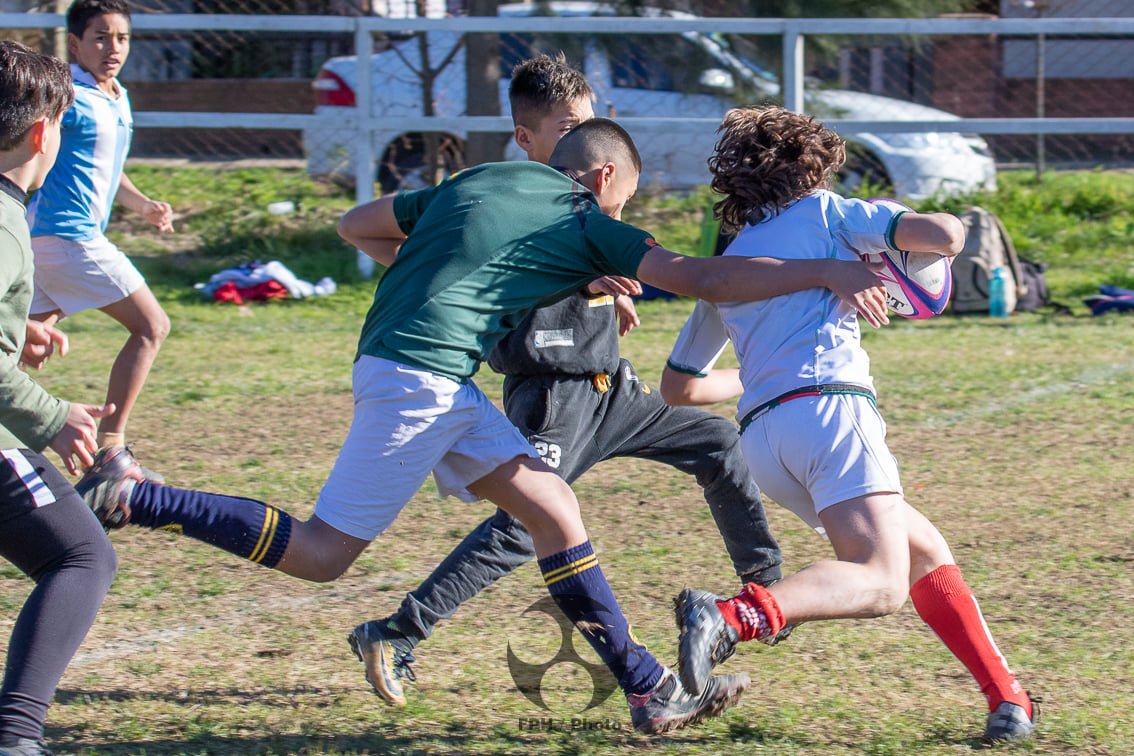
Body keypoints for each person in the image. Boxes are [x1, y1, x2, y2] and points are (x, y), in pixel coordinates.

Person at [75, 117, 889, 733]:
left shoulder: (477, 181)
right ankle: (136, 496)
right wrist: (827, 270)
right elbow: (700, 275)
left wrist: (456, 281)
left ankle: (645, 687)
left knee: (553, 512)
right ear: (604, 176)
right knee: (323, 554)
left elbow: (358, 223)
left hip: (430, 372)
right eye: (627, 198)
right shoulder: (584, 219)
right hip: (418, 381)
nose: (622, 210)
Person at [356, 53, 790, 709]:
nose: (584, 140)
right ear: (525, 139)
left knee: (717, 445)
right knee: (522, 527)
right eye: (568, 127)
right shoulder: (503, 200)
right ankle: (397, 632)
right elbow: (462, 271)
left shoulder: (583, 202)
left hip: (614, 389)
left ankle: (765, 584)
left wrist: (602, 291)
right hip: (553, 395)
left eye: (589, 123)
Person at [669, 106, 1037, 744]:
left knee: (925, 553)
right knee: (882, 581)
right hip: (831, 415)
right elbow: (948, 237)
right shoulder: (835, 213)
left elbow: (682, 388)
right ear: (813, 168)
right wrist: (897, 228)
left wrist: (763, 378)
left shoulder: (732, 263)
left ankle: (1007, 698)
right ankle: (729, 617)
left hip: (765, 442)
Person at [0, 40, 119, 756]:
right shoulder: (7, 222)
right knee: (81, 556)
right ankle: (15, 740)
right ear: (44, 132)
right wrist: (52, 414)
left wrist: (18, 341)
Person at [26, 0, 173, 477]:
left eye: (122, 38)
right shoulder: (64, 93)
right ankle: (109, 452)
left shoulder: (114, 95)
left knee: (21, 349)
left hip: (51, 243)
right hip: (68, 237)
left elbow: (107, 168)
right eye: (101, 38)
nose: (113, 48)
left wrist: (143, 205)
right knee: (152, 327)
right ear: (75, 44)